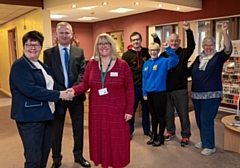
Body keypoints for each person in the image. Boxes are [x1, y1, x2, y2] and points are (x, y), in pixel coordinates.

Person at [67, 33, 134, 168]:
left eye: (106, 43)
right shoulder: (92, 64)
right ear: (97, 47)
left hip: (117, 111)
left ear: (111, 46)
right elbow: (85, 84)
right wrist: (73, 90)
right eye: (100, 44)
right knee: (101, 140)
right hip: (98, 111)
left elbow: (130, 89)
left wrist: (129, 109)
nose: (103, 46)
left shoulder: (122, 65)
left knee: (117, 141)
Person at [9, 31, 71, 168]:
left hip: (46, 116)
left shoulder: (43, 66)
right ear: (23, 46)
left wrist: (66, 92)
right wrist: (59, 95)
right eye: (29, 44)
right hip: (30, 118)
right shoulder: (19, 66)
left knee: (44, 154)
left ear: (41, 47)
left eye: (36, 45)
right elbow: (31, 90)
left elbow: (50, 87)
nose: (33, 48)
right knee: (33, 158)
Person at [43, 22, 90, 168]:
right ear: (56, 35)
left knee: (78, 129)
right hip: (58, 98)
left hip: (76, 98)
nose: (64, 35)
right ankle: (56, 159)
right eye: (61, 33)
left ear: (72, 34)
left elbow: (83, 73)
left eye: (67, 32)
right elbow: (49, 76)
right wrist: (62, 93)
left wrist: (73, 91)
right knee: (56, 131)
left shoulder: (79, 51)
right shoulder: (48, 54)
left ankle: (79, 156)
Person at [189, 22, 232, 155]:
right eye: (206, 45)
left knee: (207, 120)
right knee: (199, 120)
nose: (208, 47)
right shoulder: (198, 58)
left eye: (211, 45)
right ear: (202, 46)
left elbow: (228, 49)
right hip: (197, 95)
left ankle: (210, 145)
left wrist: (224, 32)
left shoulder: (218, 57)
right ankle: (204, 140)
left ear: (214, 46)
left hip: (212, 95)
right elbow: (189, 71)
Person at [161, 21, 195, 147]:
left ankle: (185, 135)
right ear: (168, 42)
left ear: (179, 42)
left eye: (176, 41)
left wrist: (188, 30)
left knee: (183, 113)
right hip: (166, 90)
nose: (174, 43)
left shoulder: (184, 53)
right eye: (172, 41)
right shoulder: (163, 54)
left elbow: (192, 46)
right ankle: (170, 132)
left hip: (180, 89)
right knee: (168, 113)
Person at [122, 32, 160, 139]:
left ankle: (147, 130)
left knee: (146, 109)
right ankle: (129, 131)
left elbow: (157, 49)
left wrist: (156, 38)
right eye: (133, 40)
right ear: (131, 41)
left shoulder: (146, 52)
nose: (136, 42)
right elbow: (122, 71)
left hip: (146, 87)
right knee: (131, 110)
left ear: (141, 40)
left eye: (137, 39)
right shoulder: (126, 55)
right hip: (133, 87)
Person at [142, 42, 179, 147]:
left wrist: (168, 49)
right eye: (151, 50)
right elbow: (144, 79)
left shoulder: (164, 61)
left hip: (160, 93)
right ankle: (153, 135)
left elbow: (175, 60)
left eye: (155, 50)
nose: (153, 52)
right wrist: (144, 93)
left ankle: (160, 137)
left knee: (161, 116)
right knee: (153, 116)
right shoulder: (146, 63)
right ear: (149, 51)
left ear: (158, 51)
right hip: (149, 94)